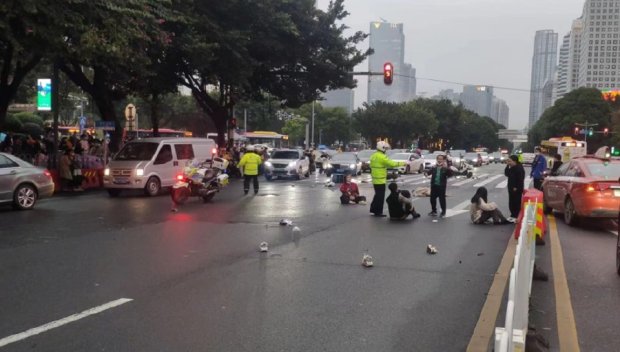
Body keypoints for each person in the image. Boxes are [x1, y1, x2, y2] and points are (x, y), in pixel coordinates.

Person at [369, 141, 406, 217]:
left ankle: (373, 209)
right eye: (385, 148)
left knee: (377, 194)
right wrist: (403, 163)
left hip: (375, 178)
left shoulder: (373, 155)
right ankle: (378, 212)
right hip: (380, 178)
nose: (386, 150)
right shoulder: (382, 156)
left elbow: (371, 165)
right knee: (380, 196)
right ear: (382, 148)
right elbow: (392, 164)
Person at [505, 155, 525, 220]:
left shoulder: (519, 168)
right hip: (511, 188)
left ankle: (516, 215)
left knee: (516, 202)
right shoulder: (512, 167)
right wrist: (507, 166)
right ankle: (513, 215)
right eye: (508, 161)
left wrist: (516, 187)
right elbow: (507, 174)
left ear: (515, 161)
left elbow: (520, 179)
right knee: (511, 202)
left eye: (510, 161)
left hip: (516, 189)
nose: (508, 162)